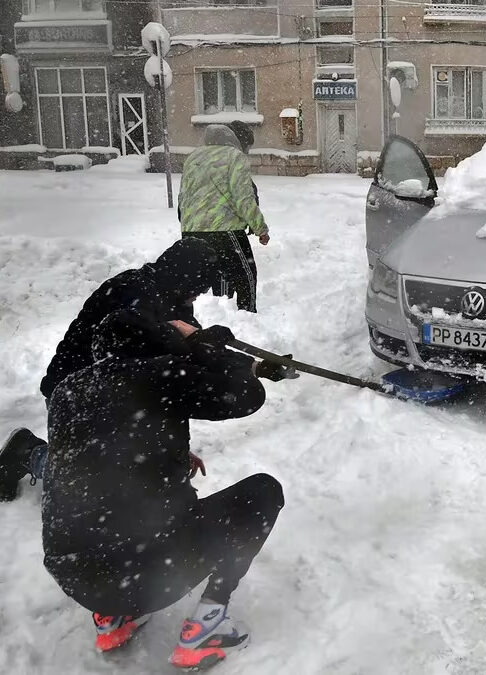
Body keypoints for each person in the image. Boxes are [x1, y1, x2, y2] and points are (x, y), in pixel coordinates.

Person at [43, 310, 292, 668]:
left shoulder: (68, 390)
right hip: (145, 575)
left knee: (101, 514)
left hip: (74, 574)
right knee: (264, 492)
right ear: (155, 344)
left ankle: (112, 618)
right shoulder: (157, 374)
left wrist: (165, 448)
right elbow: (246, 395)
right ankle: (207, 629)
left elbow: (95, 447)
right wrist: (203, 343)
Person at [0, 239, 221, 500]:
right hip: (75, 393)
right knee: (96, 492)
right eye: (199, 286)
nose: (202, 293)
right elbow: (141, 380)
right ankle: (27, 452)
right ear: (184, 276)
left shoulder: (173, 297)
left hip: (112, 392)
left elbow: (183, 358)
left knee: (136, 476)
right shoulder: (134, 295)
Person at [178, 121, 269, 313]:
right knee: (246, 276)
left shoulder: (193, 157)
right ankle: (248, 318)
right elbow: (244, 198)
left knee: (220, 276)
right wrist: (260, 228)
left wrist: (190, 225)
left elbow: (183, 197)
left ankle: (221, 316)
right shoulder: (234, 157)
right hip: (225, 230)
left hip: (192, 231)